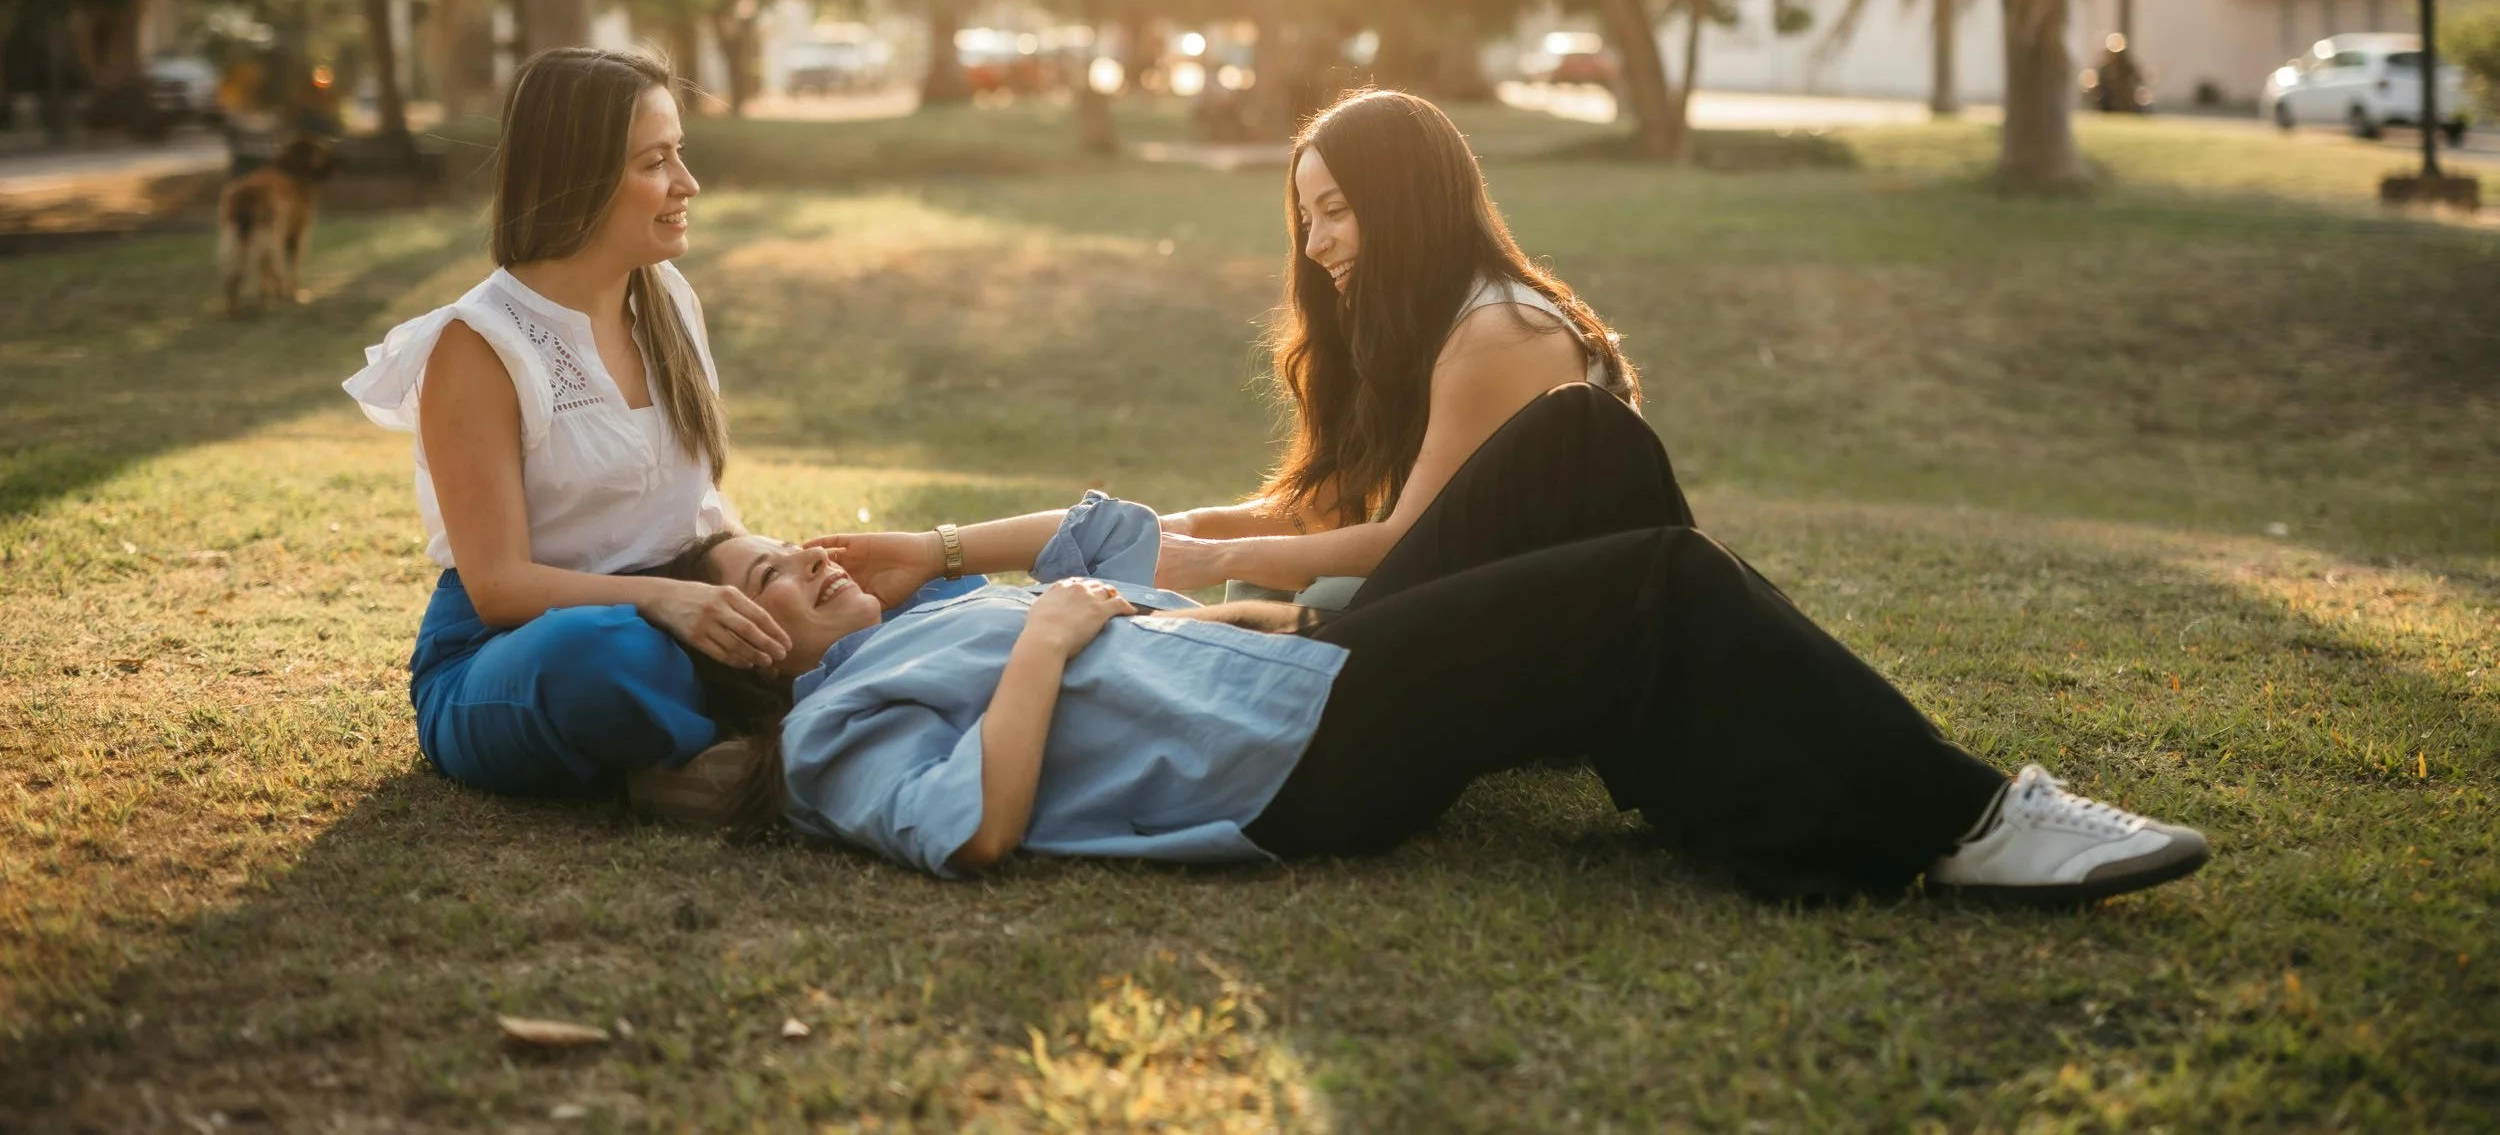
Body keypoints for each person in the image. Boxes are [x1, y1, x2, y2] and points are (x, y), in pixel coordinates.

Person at [657, 390, 2212, 904]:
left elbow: (1103, 548)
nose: (798, 554)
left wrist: (940, 550)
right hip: (1296, 763)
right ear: (757, 655)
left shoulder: (921, 615)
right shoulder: (832, 737)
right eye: (767, 579)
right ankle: (1961, 823)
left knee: (1579, 441)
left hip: (1288, 667)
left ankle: (1685, 756)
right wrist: (1048, 643)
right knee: (1654, 577)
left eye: (782, 542)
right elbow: (976, 826)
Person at [343, 47, 797, 797]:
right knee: (602, 655)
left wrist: (778, 575)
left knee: (854, 591)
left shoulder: (669, 301)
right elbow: (498, 585)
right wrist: (661, 599)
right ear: (577, 177)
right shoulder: (480, 343)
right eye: (656, 161)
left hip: (674, 620)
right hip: (519, 648)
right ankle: (718, 757)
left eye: (679, 154)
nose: (687, 184)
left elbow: (701, 508)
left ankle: (714, 735)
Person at [1145, 88, 1679, 607]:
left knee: (1307, 592)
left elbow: (1407, 539)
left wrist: (1217, 558)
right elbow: (1332, 507)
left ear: (1403, 204)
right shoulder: (1424, 320)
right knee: (1264, 585)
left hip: (1571, 613)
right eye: (1309, 219)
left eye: (1335, 211)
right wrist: (1194, 528)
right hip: (1480, 581)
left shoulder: (1498, 331)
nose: (1313, 246)